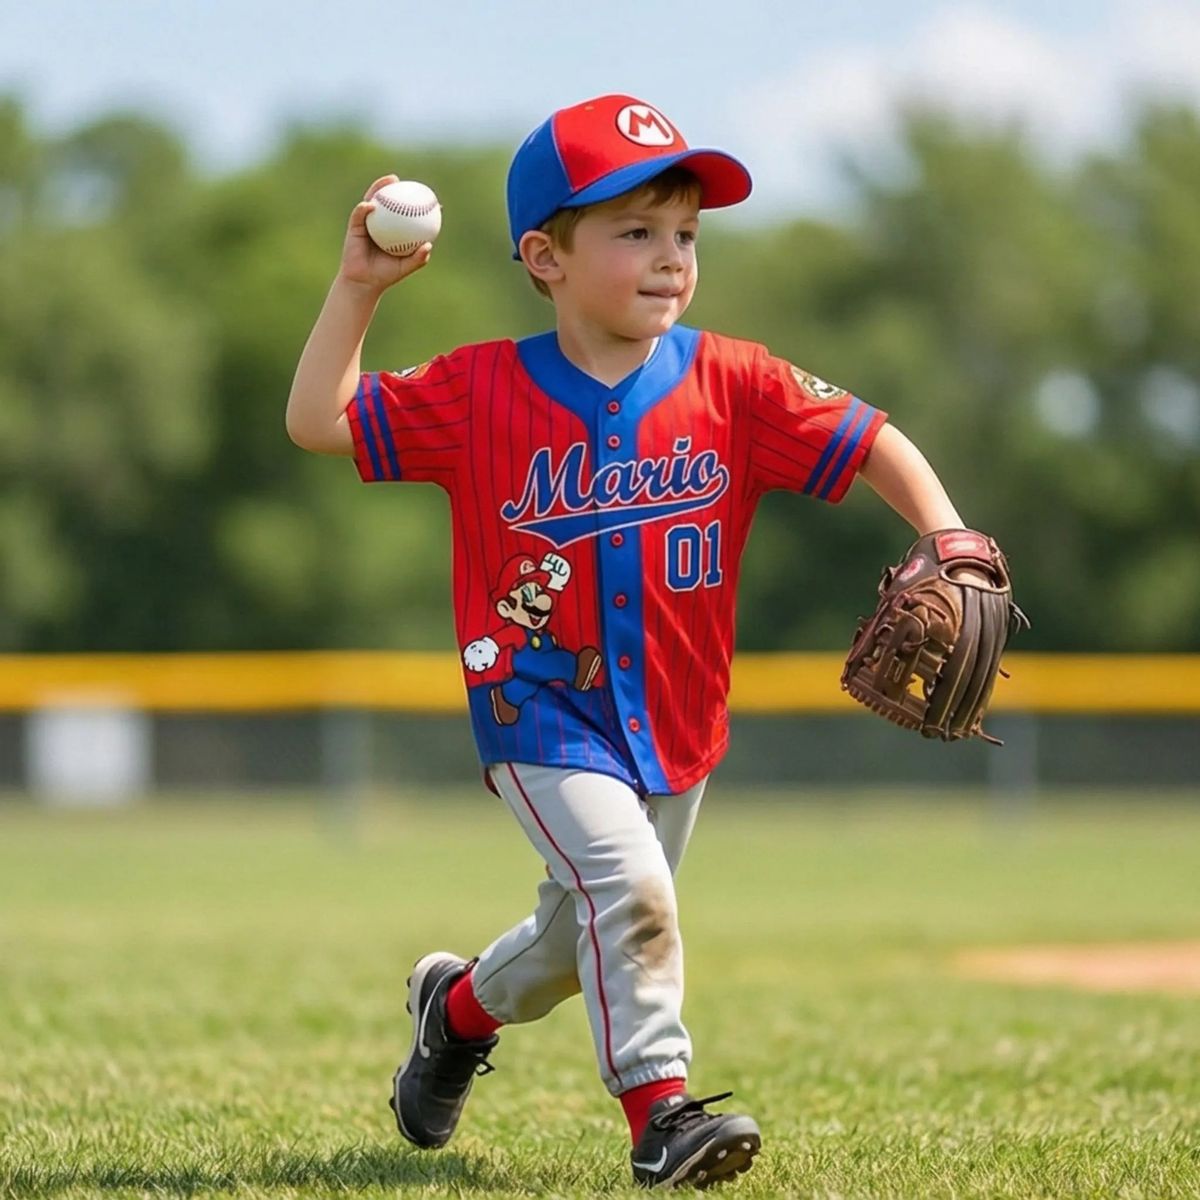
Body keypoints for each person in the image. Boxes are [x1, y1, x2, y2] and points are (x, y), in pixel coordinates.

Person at [286, 93, 976, 1190]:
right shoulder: (479, 390)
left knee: (575, 947)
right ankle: (662, 1110)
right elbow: (321, 419)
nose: (671, 258)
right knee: (633, 894)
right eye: (635, 230)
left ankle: (454, 1013)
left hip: (677, 718)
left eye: (687, 234)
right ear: (544, 256)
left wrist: (945, 533)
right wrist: (357, 289)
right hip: (535, 705)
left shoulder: (735, 381)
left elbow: (871, 434)